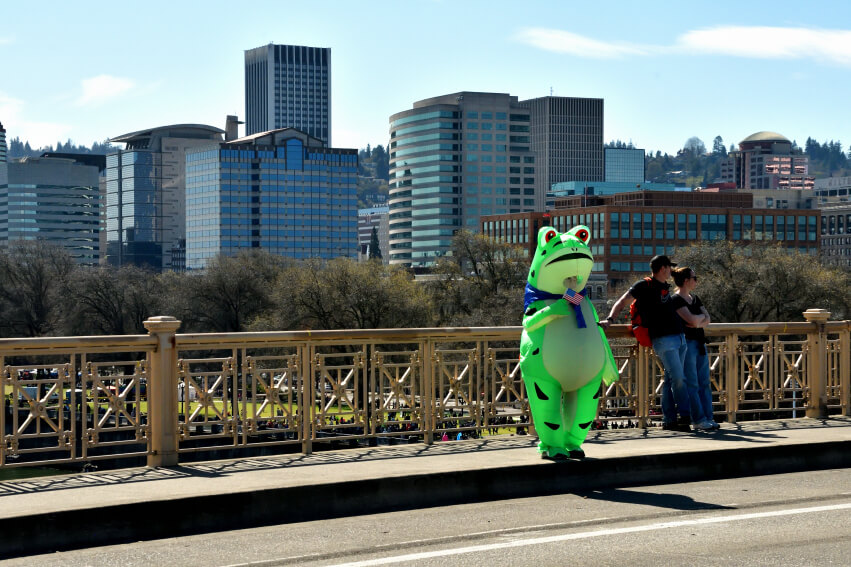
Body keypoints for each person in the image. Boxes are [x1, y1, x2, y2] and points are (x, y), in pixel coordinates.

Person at [601, 255, 694, 431]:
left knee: (670, 379)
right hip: (664, 339)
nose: (671, 271)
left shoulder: (664, 286)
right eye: (669, 268)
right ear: (662, 268)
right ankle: (684, 416)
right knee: (679, 378)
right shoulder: (644, 285)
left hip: (680, 337)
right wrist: (610, 319)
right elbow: (622, 301)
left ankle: (669, 420)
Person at [671, 267, 720, 431]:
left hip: (699, 343)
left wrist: (698, 321)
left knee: (705, 381)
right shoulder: (676, 300)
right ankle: (698, 419)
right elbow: (693, 320)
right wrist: (699, 320)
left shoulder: (695, 298)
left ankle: (708, 417)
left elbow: (707, 319)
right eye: (694, 277)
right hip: (687, 343)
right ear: (686, 280)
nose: (696, 281)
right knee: (692, 382)